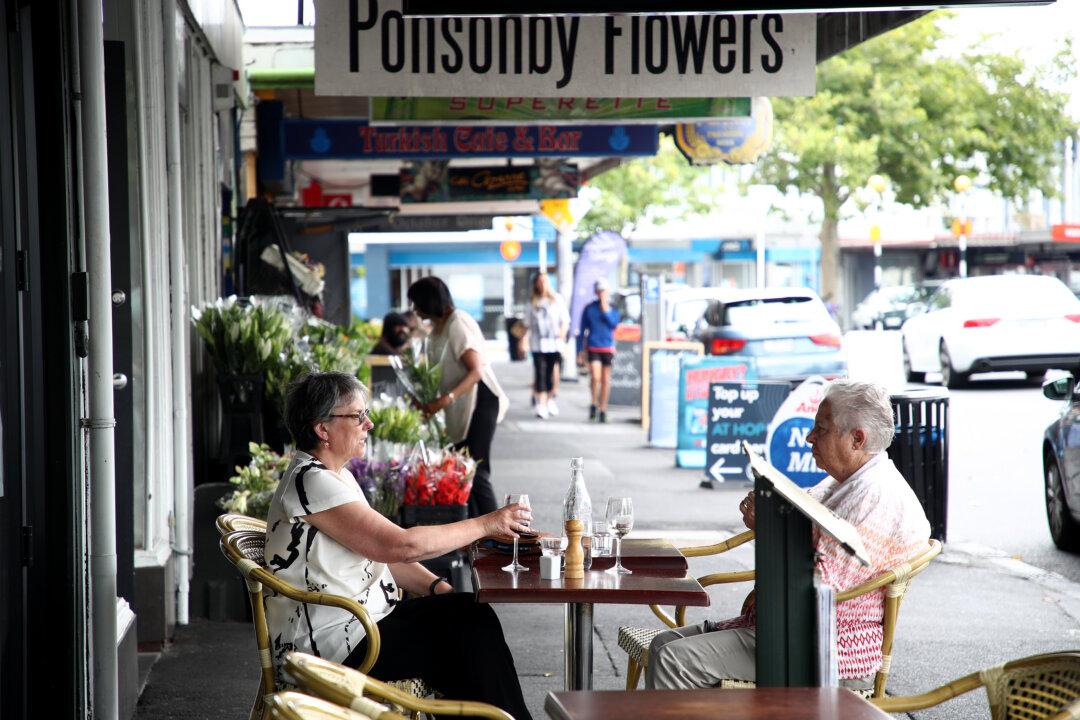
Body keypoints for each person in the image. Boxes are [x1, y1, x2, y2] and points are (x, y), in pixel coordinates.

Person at [264, 372, 533, 720]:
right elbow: (401, 546)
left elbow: (381, 553)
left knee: (469, 617)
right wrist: (485, 523)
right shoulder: (311, 481)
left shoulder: (333, 475)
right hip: (334, 644)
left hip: (364, 623)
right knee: (467, 636)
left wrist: (437, 587)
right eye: (358, 416)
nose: (369, 423)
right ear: (322, 429)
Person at [645, 379, 930, 692]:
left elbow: (816, 587)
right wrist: (768, 514)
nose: (809, 437)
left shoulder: (874, 497)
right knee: (662, 645)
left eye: (820, 429)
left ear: (857, 439)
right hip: (793, 630)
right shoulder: (845, 482)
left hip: (824, 646)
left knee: (672, 660)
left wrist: (769, 526)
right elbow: (797, 521)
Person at [407, 276, 509, 517]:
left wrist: (443, 400)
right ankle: (475, 533)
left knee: (475, 469)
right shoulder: (438, 326)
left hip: (480, 401)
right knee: (460, 472)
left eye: (416, 303)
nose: (414, 309)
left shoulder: (457, 323)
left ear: (427, 302)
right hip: (460, 404)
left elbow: (476, 371)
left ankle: (498, 535)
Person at [524, 272, 569, 419]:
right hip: (538, 345)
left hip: (554, 344)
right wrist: (523, 341)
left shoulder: (556, 299)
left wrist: (562, 334)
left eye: (545, 281)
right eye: (540, 281)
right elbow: (527, 324)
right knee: (540, 373)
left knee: (552, 372)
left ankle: (550, 398)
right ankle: (541, 403)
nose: (543, 284)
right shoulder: (532, 302)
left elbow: (564, 320)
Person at [576, 279, 620, 423]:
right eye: (599, 291)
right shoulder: (589, 309)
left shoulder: (613, 309)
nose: (601, 294)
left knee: (606, 380)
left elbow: (614, 324)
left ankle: (603, 408)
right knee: (595, 377)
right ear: (596, 292)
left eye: (604, 291)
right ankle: (594, 403)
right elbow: (582, 330)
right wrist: (580, 350)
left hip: (607, 347)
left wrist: (605, 309)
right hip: (593, 346)